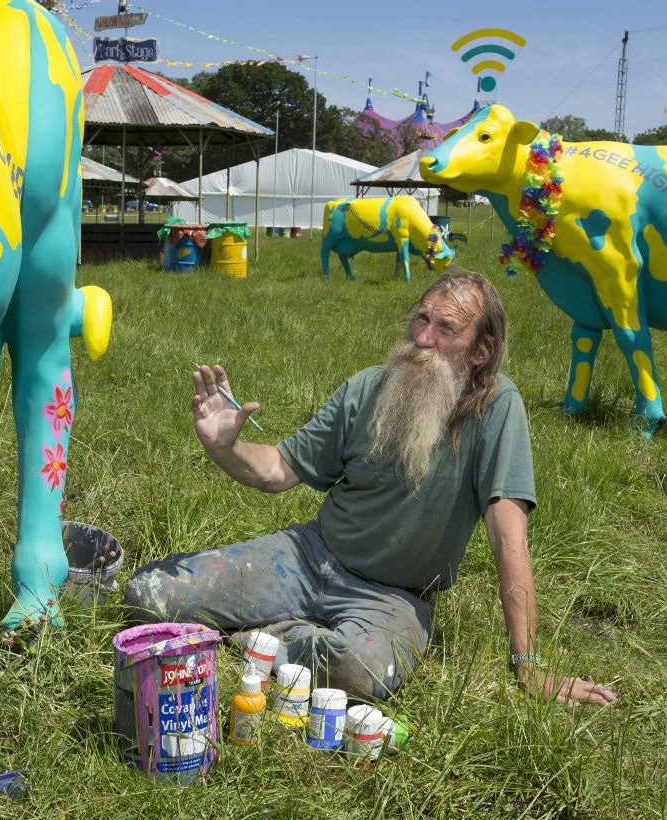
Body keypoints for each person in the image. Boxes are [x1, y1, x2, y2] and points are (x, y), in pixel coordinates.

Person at [125, 271, 616, 706]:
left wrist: (527, 664)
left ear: (480, 351)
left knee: (356, 671)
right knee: (150, 595)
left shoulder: (497, 408)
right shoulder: (367, 387)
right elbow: (278, 470)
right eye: (421, 319)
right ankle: (277, 634)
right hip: (308, 556)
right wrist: (224, 447)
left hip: (393, 598)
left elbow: (508, 538)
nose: (423, 338)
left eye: (447, 330)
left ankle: (261, 635)